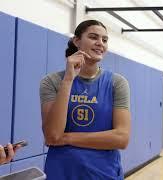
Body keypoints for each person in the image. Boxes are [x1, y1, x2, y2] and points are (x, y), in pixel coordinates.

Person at [40, 20, 131, 180]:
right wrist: (68, 80)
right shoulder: (52, 81)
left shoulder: (117, 83)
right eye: (93, 37)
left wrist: (67, 137)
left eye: (104, 40)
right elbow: (53, 136)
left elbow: (121, 138)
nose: (100, 43)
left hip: (104, 173)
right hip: (62, 172)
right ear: (76, 41)